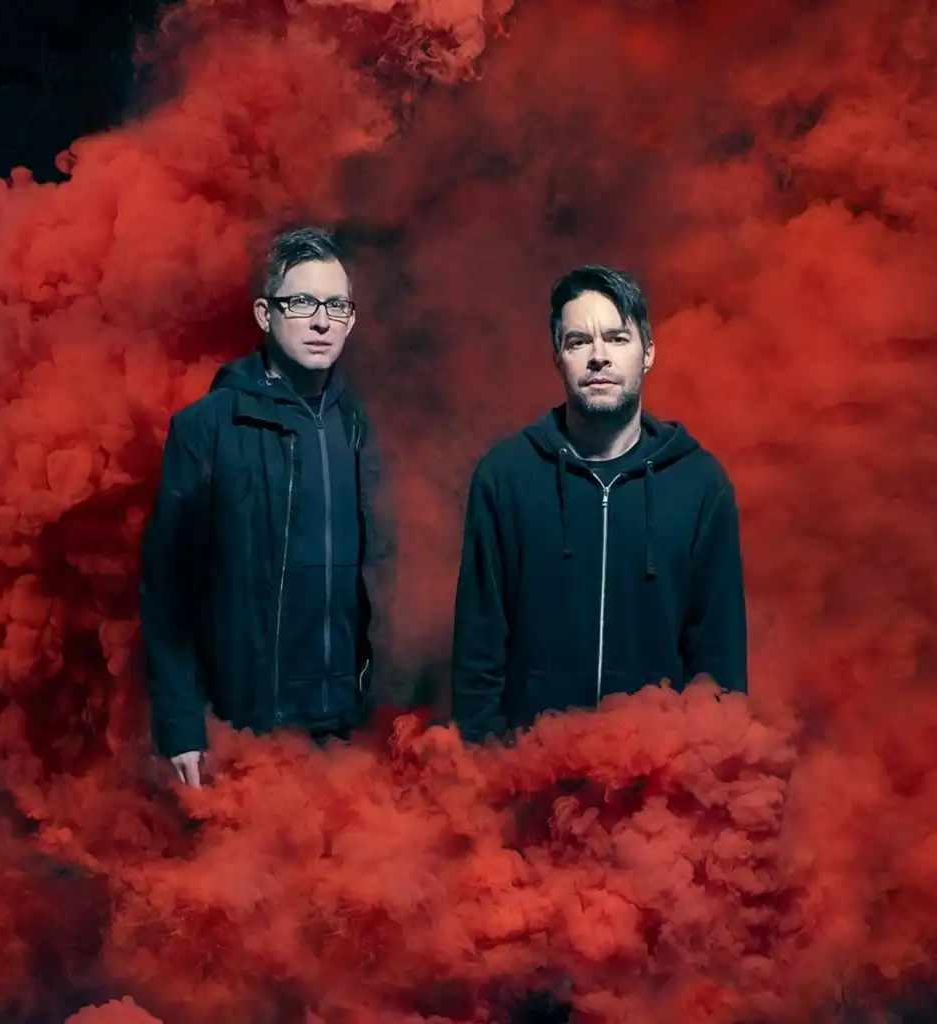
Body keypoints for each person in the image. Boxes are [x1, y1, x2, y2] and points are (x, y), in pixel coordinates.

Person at [140, 226, 396, 786]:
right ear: (265, 314)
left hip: (346, 730)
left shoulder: (359, 427)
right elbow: (167, 594)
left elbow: (379, 578)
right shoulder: (206, 429)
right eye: (302, 302)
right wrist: (181, 724)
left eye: (336, 305)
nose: (321, 321)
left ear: (350, 319)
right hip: (246, 733)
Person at [451, 264, 747, 744]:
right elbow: (478, 650)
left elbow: (719, 660)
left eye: (616, 338)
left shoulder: (700, 484)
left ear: (648, 352)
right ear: (558, 356)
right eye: (579, 342)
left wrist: (706, 771)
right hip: (529, 768)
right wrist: (483, 769)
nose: (599, 357)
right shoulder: (505, 477)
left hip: (658, 772)